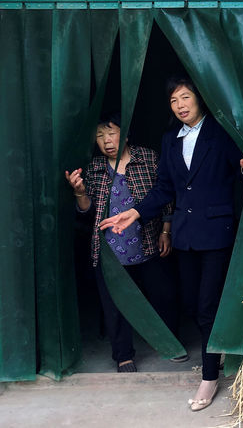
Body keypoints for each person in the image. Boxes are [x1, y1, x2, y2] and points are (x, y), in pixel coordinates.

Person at [100, 77, 243, 411]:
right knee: (191, 304)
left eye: (186, 97)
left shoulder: (221, 133)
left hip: (216, 232)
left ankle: (210, 376)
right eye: (173, 101)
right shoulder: (170, 140)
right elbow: (164, 190)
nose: (181, 105)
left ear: (200, 99)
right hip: (184, 235)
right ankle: (218, 352)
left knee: (205, 306)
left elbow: (242, 172)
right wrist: (134, 213)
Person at [65, 113, 179, 373]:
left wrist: (166, 230)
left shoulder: (148, 158)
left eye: (111, 133)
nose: (106, 141)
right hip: (108, 248)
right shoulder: (94, 167)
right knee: (115, 303)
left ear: (126, 134)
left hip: (147, 241)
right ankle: (123, 354)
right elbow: (87, 211)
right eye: (99, 136)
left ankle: (170, 344)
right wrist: (80, 193)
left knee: (164, 295)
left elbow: (166, 195)